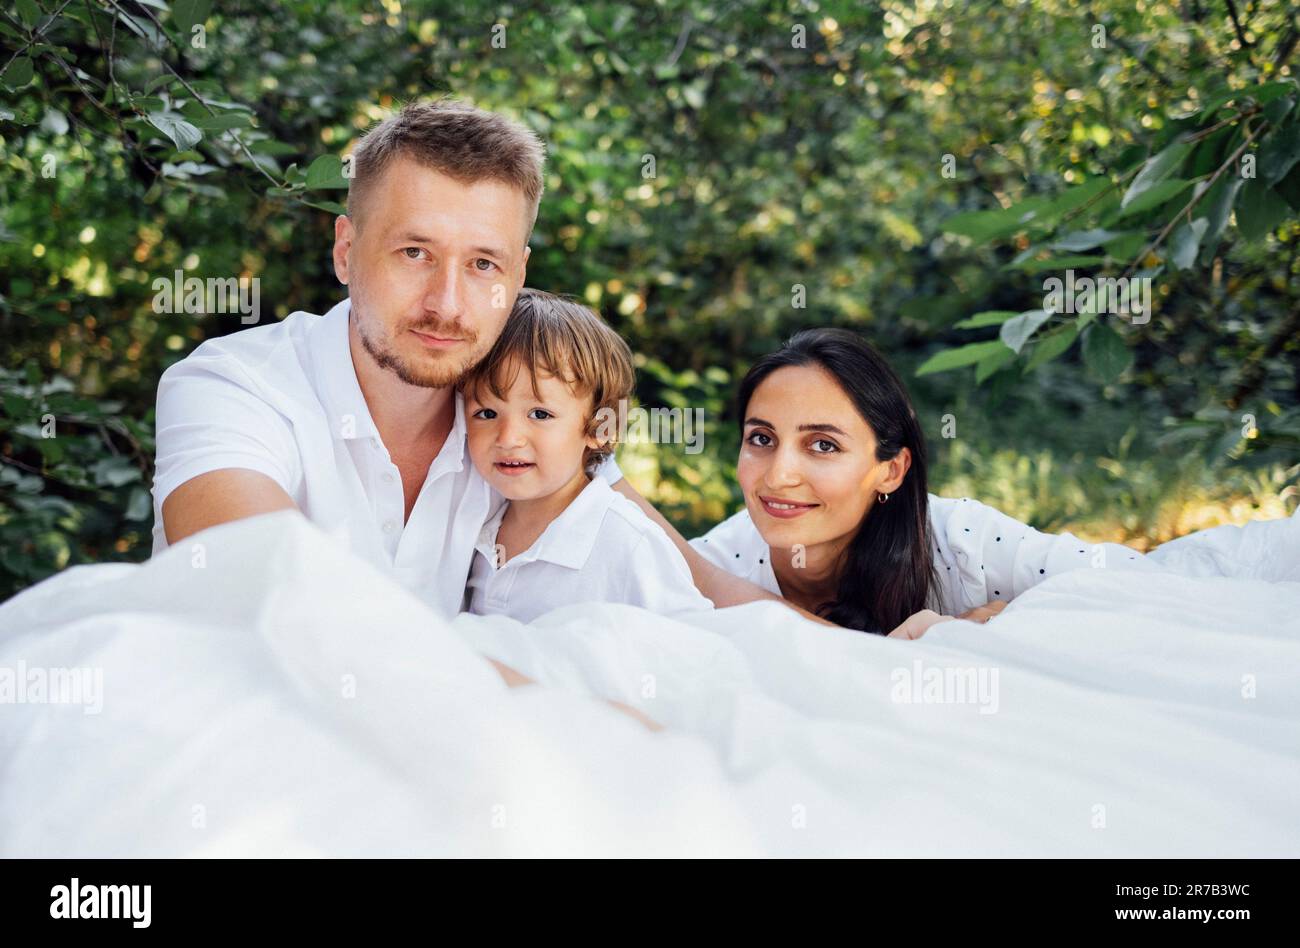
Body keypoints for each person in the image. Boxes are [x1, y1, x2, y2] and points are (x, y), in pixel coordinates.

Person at [689, 328, 1162, 634]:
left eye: (823, 445)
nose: (779, 474)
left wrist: (991, 628)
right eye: (761, 438)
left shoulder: (960, 541)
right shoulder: (712, 568)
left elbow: (1133, 584)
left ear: (890, 470)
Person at [462, 288, 711, 621]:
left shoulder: (628, 541)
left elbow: (692, 644)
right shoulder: (477, 523)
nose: (508, 438)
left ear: (599, 427)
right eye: (487, 414)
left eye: (539, 414)